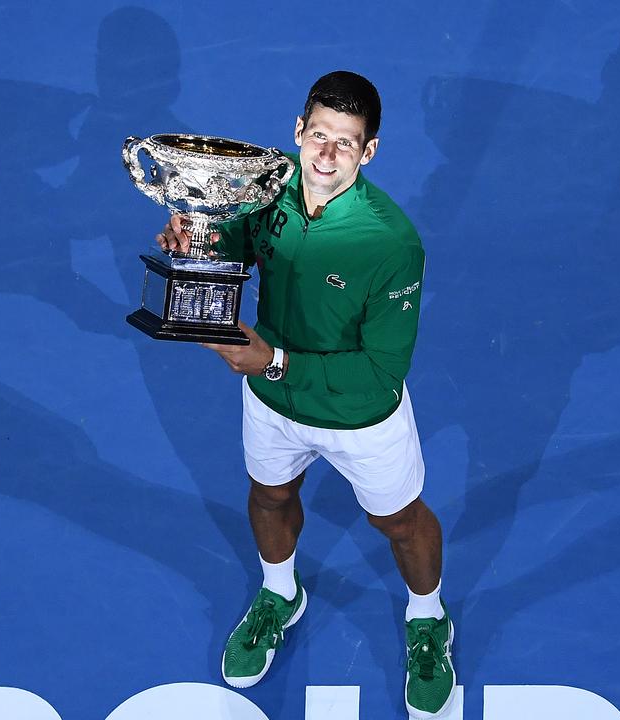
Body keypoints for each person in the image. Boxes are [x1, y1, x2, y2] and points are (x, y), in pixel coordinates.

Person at [156, 71, 455, 719]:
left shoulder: (391, 243)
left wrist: (276, 360)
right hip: (271, 399)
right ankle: (279, 593)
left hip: (357, 414)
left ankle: (428, 620)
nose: (325, 154)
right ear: (297, 131)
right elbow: (236, 248)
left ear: (368, 152)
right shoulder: (266, 193)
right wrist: (199, 244)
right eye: (318, 135)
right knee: (269, 495)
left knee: (399, 523)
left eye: (345, 144)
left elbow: (380, 372)